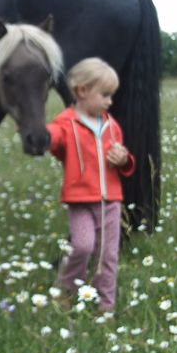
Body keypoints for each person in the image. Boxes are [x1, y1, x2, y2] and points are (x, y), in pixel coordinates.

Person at [47, 57, 135, 315]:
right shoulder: (65, 123)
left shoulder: (111, 125)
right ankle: (67, 288)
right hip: (80, 200)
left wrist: (123, 159)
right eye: (105, 95)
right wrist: (39, 134)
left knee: (108, 255)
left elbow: (122, 156)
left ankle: (105, 305)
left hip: (110, 201)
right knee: (83, 245)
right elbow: (52, 138)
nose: (110, 102)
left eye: (111, 95)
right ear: (82, 91)